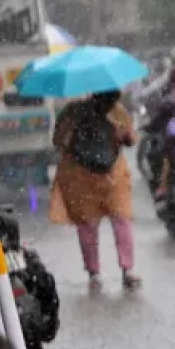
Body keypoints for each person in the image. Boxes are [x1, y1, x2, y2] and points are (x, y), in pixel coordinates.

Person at [49, 90, 141, 291]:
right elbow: (59, 140)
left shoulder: (84, 111)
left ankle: (111, 271)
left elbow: (59, 141)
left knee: (106, 222)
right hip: (94, 176)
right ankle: (109, 271)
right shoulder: (98, 111)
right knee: (103, 223)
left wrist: (118, 135)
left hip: (99, 175)